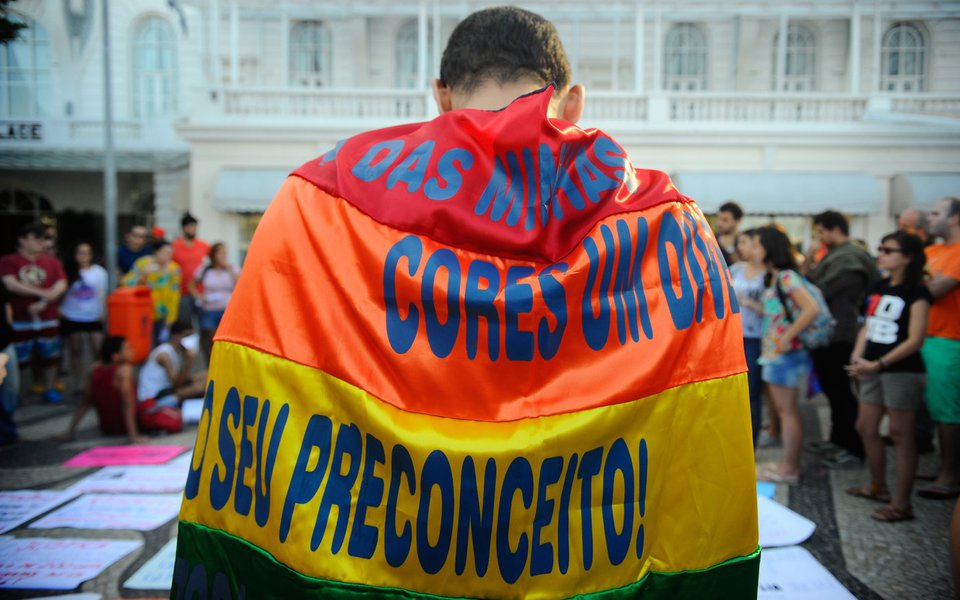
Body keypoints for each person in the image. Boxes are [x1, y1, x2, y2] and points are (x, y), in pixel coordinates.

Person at [173, 7, 759, 598]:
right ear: (573, 99)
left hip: (378, 550)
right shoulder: (665, 223)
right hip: (581, 557)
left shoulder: (317, 199)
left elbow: (261, 390)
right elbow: (698, 435)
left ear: (441, 94)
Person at [845, 231, 930, 522]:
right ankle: (877, 486)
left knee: (900, 434)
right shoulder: (879, 285)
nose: (881, 253)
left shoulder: (917, 291)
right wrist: (858, 355)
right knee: (866, 427)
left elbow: (916, 339)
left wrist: (878, 364)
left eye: (889, 250)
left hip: (902, 371)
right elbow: (867, 326)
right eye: (880, 248)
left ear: (907, 257)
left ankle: (902, 503)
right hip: (871, 367)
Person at [807, 210, 878, 468]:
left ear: (835, 229)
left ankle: (853, 447)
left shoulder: (850, 259)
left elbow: (822, 291)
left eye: (821, 231)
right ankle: (838, 439)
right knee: (833, 390)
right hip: (828, 333)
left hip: (841, 333)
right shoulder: (836, 256)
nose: (819, 237)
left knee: (841, 393)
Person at [755, 226, 821, 485]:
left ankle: (790, 468)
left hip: (784, 354)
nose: (752, 250)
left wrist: (785, 338)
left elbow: (810, 309)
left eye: (758, 245)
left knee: (787, 412)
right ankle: (788, 465)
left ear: (769, 249)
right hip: (777, 353)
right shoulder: (777, 277)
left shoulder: (785, 277)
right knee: (785, 411)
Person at [918, 196, 960, 500]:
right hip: (925, 336)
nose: (929, 218)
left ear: (955, 218)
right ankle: (942, 465)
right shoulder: (931, 251)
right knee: (931, 407)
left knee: (948, 411)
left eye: (936, 213)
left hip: (949, 340)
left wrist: (914, 286)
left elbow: (935, 289)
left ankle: (950, 475)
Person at [0, 223, 67, 404]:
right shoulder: (9, 261)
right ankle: (19, 393)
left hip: (48, 318)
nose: (41, 242)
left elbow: (61, 284)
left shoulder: (52, 262)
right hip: (20, 319)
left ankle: (49, 388)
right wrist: (43, 294)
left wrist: (45, 301)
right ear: (22, 240)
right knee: (20, 359)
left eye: (43, 238)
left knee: (50, 355)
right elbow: (10, 283)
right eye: (35, 237)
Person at [59, 336, 147, 444]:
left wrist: (70, 430)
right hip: (123, 427)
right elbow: (127, 404)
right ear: (115, 356)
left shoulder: (94, 369)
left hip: (106, 427)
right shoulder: (124, 371)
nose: (132, 352)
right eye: (127, 349)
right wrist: (134, 436)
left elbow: (86, 402)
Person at [730, 229, 765, 445]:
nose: (740, 247)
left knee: (752, 391)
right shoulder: (736, 269)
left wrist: (749, 302)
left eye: (744, 242)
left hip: (757, 338)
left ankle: (752, 439)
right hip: (734, 335)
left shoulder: (768, 275)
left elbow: (774, 311)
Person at [60, 243, 108, 396]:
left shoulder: (99, 272)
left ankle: (98, 380)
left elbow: (103, 292)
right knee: (75, 350)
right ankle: (78, 383)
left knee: (98, 349)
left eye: (87, 253)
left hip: (93, 315)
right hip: (72, 315)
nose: (84, 256)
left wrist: (104, 311)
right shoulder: (67, 271)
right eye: (80, 253)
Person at [136, 320, 205, 423]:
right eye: (186, 335)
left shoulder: (179, 351)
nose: (189, 339)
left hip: (167, 390)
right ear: (175, 335)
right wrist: (188, 363)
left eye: (191, 335)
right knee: (200, 386)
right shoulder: (164, 355)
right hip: (153, 400)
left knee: (205, 376)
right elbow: (176, 384)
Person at [187, 242, 239, 362]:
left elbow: (240, 285)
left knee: (224, 340)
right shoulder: (205, 269)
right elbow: (191, 285)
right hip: (209, 309)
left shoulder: (232, 268)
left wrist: (230, 269)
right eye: (220, 252)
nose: (223, 255)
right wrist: (199, 296)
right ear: (213, 255)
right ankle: (210, 363)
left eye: (225, 252)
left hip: (226, 309)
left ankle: (222, 363)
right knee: (210, 338)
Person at [123, 239, 181, 345]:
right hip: (143, 312)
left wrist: (171, 318)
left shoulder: (174, 268)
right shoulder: (143, 263)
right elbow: (126, 283)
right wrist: (143, 275)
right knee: (143, 343)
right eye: (165, 252)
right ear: (156, 252)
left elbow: (175, 294)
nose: (168, 256)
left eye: (170, 253)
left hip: (163, 314)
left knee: (161, 345)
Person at [172, 212, 210, 328]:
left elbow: (213, 261)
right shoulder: (175, 246)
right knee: (185, 325)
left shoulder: (203, 245)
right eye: (190, 226)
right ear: (184, 228)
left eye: (194, 226)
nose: (193, 229)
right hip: (182, 292)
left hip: (200, 292)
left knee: (203, 325)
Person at [0, 280, 18, 444]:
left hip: (5, 343)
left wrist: (9, 327)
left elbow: (6, 303)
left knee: (11, 389)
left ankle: (8, 430)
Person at [715, 201, 744, 265]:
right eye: (719, 218)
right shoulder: (712, 239)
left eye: (725, 220)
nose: (719, 223)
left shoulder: (745, 241)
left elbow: (742, 270)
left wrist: (729, 248)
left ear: (737, 221)